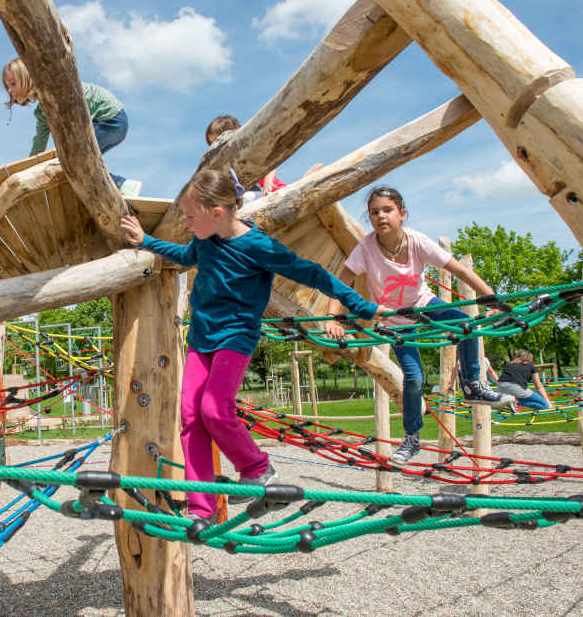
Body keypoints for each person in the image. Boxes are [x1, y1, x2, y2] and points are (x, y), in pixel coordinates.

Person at [120, 167, 390, 521]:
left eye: (189, 216)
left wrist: (363, 306)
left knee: (215, 410)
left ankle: (258, 468)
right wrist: (145, 241)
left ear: (216, 214)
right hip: (202, 337)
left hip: (236, 335)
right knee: (189, 416)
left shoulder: (257, 245)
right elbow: (185, 258)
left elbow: (313, 273)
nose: (185, 223)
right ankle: (201, 507)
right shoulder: (205, 240)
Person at [323, 186, 515, 466]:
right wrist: (331, 317)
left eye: (387, 210)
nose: (380, 216)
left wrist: (492, 299)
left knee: (465, 325)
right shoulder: (366, 248)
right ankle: (411, 439)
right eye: (374, 212)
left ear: (401, 213)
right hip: (395, 318)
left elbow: (460, 270)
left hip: (424, 302)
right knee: (413, 378)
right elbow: (340, 282)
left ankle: (472, 384)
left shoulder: (416, 241)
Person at [2, 57, 142, 196]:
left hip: (109, 118)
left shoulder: (52, 90)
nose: (9, 90)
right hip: (112, 121)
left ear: (27, 79)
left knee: (74, 161)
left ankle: (120, 184)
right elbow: (40, 140)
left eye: (13, 84)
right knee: (83, 165)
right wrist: (29, 168)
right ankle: (119, 189)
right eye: (7, 86)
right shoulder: (42, 112)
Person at [204, 115, 286, 203]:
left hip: (275, 191)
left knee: (240, 201)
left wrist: (268, 183)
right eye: (211, 143)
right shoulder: (224, 164)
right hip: (257, 195)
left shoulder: (245, 154)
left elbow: (271, 162)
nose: (215, 146)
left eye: (217, 140)